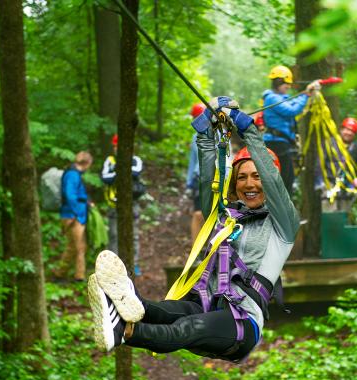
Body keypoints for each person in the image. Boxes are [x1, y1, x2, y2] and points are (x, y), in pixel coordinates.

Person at [87, 99, 300, 362]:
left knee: (187, 328)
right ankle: (121, 302)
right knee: (160, 310)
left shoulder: (283, 226)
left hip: (241, 323)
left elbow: (273, 181)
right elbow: (206, 182)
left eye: (257, 176)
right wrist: (205, 135)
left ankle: (125, 332)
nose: (249, 183)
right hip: (206, 304)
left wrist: (249, 131)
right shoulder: (227, 218)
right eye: (242, 177)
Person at [262, 65, 320, 194]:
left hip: (281, 143)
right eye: (286, 84)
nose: (288, 86)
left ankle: (283, 208)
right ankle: (281, 209)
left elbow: (292, 104)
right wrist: (305, 96)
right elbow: (291, 110)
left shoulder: (279, 98)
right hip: (276, 143)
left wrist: (307, 94)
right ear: (278, 83)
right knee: (285, 179)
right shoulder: (272, 98)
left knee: (288, 178)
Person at [101, 134, 145, 275]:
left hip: (132, 203)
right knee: (114, 234)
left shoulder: (135, 160)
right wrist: (121, 170)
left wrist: (118, 169)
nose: (117, 149)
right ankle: (113, 265)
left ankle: (134, 263)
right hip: (114, 203)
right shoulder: (109, 160)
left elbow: (136, 171)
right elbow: (105, 177)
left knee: (134, 234)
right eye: (115, 146)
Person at [57, 151, 93, 282]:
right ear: (87, 163)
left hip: (74, 214)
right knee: (79, 247)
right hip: (72, 216)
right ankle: (78, 277)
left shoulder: (74, 174)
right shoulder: (72, 175)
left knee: (74, 246)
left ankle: (63, 273)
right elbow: (70, 195)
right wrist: (76, 214)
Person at [186, 103, 205, 242]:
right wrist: (188, 183)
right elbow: (193, 161)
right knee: (198, 214)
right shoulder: (195, 137)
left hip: (215, 178)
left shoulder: (217, 134)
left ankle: (216, 251)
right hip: (198, 180)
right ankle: (196, 252)